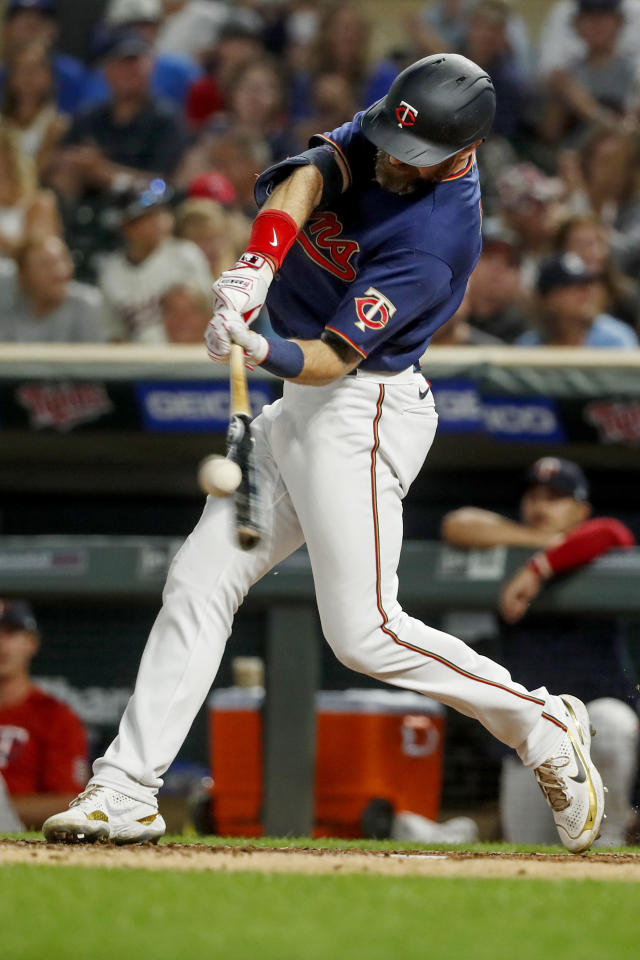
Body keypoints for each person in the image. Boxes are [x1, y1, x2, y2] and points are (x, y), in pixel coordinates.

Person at [43, 54, 606, 854]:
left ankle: (543, 723)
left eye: (408, 158)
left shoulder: (440, 237)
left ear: (460, 154)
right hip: (301, 408)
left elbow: (336, 358)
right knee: (199, 579)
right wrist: (257, 265)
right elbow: (309, 175)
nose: (386, 160)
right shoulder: (398, 127)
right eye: (387, 141)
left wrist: (260, 346)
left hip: (361, 408)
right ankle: (126, 789)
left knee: (365, 631)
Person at [442, 457, 639, 845]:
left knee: (615, 724)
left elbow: (613, 531)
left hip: (597, 719)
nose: (540, 507)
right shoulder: (514, 548)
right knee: (525, 848)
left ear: (580, 510)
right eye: (533, 496)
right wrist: (538, 546)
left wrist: (541, 566)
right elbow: (457, 524)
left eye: (556, 498)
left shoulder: (592, 546)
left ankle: (613, 843)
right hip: (533, 730)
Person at [0, 599, 88, 830]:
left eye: (10, 633)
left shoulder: (55, 716)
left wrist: (4, 809)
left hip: (18, 841)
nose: (0, 642)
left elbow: (71, 804)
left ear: (31, 643)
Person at [99, 181, 211, 343]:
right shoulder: (111, 272)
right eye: (147, 217)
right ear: (126, 226)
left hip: (185, 356)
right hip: (141, 361)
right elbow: (114, 334)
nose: (158, 221)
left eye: (160, 213)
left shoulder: (185, 255)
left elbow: (208, 315)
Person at [515, 252, 638, 347]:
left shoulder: (615, 339)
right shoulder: (529, 346)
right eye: (573, 288)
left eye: (586, 285)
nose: (585, 293)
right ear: (549, 298)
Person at [0, 234, 107, 342]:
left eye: (64, 260)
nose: (61, 270)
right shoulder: (7, 306)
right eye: (46, 264)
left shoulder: (86, 305)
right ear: (23, 274)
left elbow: (92, 356)